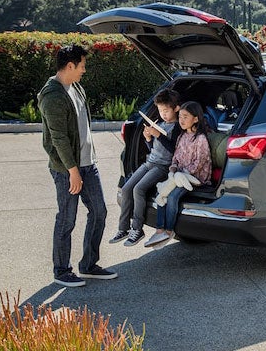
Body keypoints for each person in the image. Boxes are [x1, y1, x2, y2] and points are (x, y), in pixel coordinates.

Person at [37, 44, 117, 288]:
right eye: (82, 65)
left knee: (99, 211)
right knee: (67, 218)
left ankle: (89, 265)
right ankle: (61, 271)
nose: (84, 70)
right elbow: (58, 137)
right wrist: (72, 171)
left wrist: (87, 160)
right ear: (70, 66)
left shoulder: (76, 87)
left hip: (87, 164)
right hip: (66, 169)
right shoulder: (52, 96)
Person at [109, 89, 182, 247]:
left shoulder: (177, 128)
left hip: (163, 167)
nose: (162, 114)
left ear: (176, 108)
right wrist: (148, 138)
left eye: (166, 110)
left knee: (139, 189)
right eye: (160, 110)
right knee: (127, 188)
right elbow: (153, 149)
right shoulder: (161, 124)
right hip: (150, 162)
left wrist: (158, 135)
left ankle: (137, 229)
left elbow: (173, 149)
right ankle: (123, 228)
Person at [143, 101, 212, 249]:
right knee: (162, 193)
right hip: (178, 175)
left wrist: (180, 173)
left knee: (173, 196)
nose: (181, 120)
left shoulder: (200, 139)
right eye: (180, 116)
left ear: (196, 119)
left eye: (185, 117)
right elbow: (175, 157)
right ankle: (159, 229)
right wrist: (173, 169)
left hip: (195, 178)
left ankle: (168, 231)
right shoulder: (182, 137)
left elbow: (198, 164)